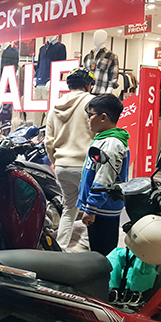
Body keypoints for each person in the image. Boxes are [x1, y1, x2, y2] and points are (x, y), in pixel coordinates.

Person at [45, 68, 95, 252]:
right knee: (92, 209)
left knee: (69, 208)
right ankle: (89, 247)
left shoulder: (55, 106)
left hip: (62, 165)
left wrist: (56, 160)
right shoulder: (92, 103)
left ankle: (61, 248)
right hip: (85, 166)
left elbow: (48, 141)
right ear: (88, 85)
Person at [77, 94, 130, 256]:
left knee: (103, 256)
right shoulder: (103, 139)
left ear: (103, 117)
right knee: (98, 251)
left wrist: (91, 207)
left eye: (90, 115)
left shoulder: (111, 144)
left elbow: (104, 178)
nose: (88, 120)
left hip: (103, 210)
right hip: (101, 208)